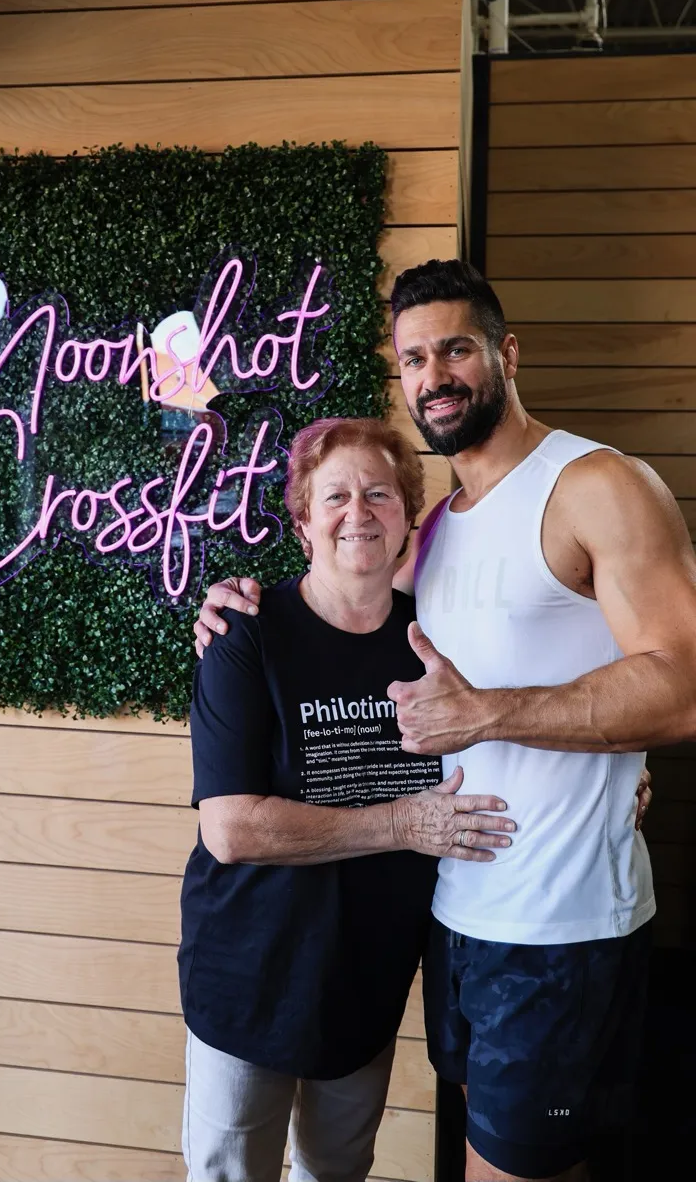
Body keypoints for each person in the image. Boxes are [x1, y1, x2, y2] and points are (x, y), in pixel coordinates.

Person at [193, 259, 671, 1182]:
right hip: (447, 924)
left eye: (456, 348)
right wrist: (225, 603)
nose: (435, 374)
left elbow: (675, 685)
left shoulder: (595, 484)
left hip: (555, 924)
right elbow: (348, 582)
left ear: (506, 353)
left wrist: (595, 753)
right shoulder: (440, 531)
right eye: (415, 357)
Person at [178, 416, 516, 1182]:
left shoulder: (441, 641)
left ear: (407, 521)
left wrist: (618, 780)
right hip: (248, 980)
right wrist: (403, 823)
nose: (357, 513)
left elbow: (511, 738)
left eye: (378, 494)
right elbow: (230, 829)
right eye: (334, 497)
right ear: (302, 524)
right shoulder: (245, 637)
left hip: (366, 981)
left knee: (335, 1173)